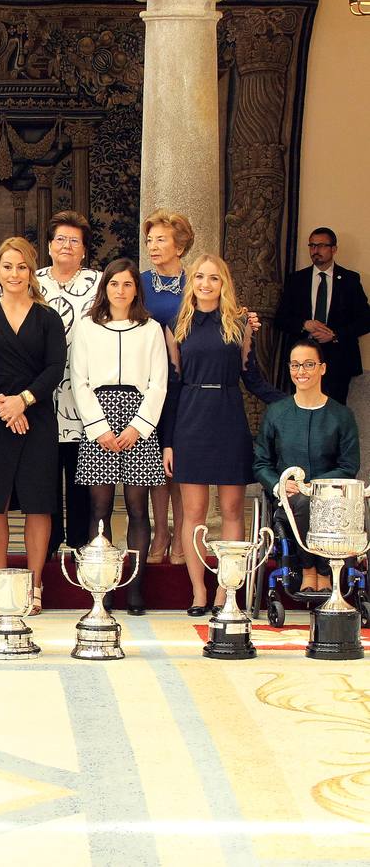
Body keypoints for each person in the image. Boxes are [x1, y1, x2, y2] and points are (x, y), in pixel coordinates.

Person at [161, 254, 283, 616]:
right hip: (190, 421)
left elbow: (252, 377)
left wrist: (292, 402)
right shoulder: (176, 323)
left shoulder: (240, 322)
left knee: (232, 509)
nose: (205, 283)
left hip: (229, 418)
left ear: (224, 283)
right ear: (191, 281)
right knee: (193, 514)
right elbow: (173, 385)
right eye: (199, 276)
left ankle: (224, 592)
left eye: (214, 278)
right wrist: (168, 441)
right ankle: (199, 591)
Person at [0, 237, 66, 614]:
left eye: (21, 266)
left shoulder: (47, 317)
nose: (14, 273)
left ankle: (35, 586)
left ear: (32, 271)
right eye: (8, 266)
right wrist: (2, 404)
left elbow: (55, 367)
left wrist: (22, 401)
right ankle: (1, 584)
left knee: (39, 503)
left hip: (36, 417)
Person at [69, 258, 168, 615]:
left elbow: (159, 382)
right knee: (100, 508)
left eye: (127, 285)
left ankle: (137, 587)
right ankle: (104, 585)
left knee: (138, 509)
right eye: (114, 284)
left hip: (138, 420)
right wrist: (99, 428)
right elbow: (78, 380)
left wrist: (138, 427)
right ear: (105, 288)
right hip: (100, 419)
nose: (121, 291)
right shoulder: (87, 328)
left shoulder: (151, 329)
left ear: (136, 290)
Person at [254, 339, 359, 593]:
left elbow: (349, 464)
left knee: (315, 501)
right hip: (288, 500)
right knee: (300, 502)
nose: (301, 371)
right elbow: (261, 463)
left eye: (309, 364)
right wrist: (280, 485)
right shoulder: (277, 413)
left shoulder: (341, 416)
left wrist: (315, 487)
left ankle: (325, 570)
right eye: (296, 365)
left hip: (332, 501)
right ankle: (308, 569)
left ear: (322, 368)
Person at [37, 210, 101, 555]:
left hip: (84, 395)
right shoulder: (32, 282)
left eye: (74, 240)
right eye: (60, 239)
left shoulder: (102, 283)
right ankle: (45, 547)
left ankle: (79, 545)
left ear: (84, 250)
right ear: (49, 246)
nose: (66, 245)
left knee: (81, 478)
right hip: (41, 394)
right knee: (45, 476)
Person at [140, 209, 192, 566]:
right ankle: (161, 531)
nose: (153, 246)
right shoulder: (139, 282)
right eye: (149, 240)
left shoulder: (196, 281)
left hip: (188, 382)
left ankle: (183, 532)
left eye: (160, 239)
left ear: (179, 244)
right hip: (151, 380)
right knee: (156, 462)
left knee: (179, 462)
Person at [273, 227, 370, 405]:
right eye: (312, 246)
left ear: (333, 249)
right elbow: (281, 318)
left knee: (332, 415)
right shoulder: (296, 280)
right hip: (302, 358)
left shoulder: (349, 280)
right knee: (303, 411)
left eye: (321, 246)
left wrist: (335, 335)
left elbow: (365, 320)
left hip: (338, 360)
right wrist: (304, 324)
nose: (315, 251)